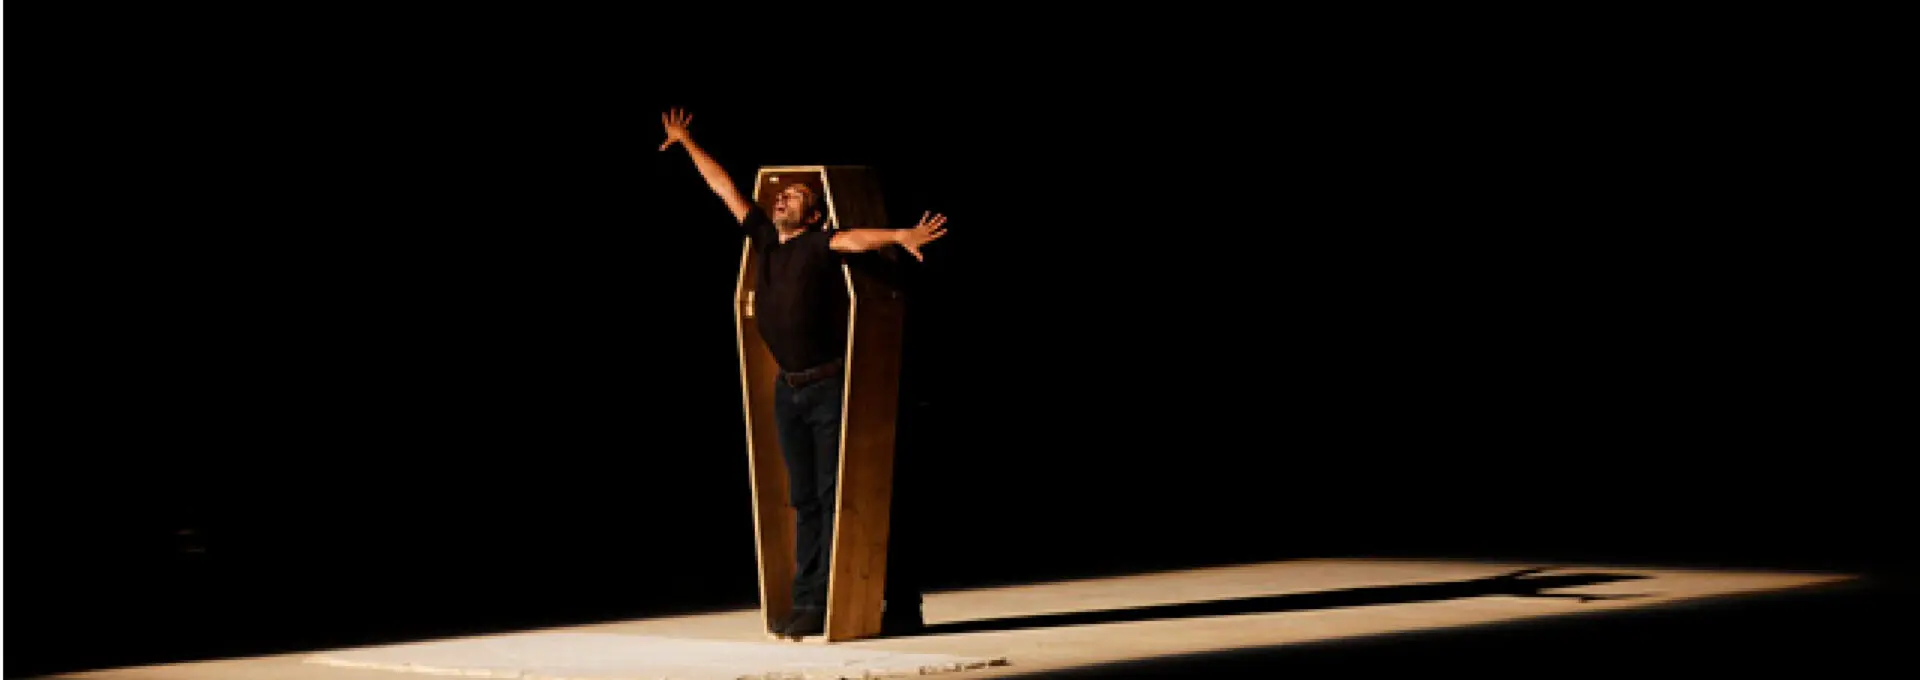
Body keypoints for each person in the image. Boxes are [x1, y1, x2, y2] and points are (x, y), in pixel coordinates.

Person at [658, 108, 946, 639]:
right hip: (788, 392)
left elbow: (854, 239)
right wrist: (686, 141)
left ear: (813, 215)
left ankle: (847, 599)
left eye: (794, 196)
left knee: (840, 497)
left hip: (830, 387)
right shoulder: (765, 240)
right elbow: (724, 188)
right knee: (805, 499)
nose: (782, 198)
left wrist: (900, 234)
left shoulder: (819, 243)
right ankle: (809, 598)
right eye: (781, 194)